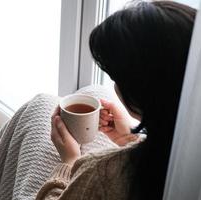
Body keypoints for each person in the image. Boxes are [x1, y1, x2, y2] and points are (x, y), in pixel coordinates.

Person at [36, 1, 196, 200]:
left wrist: (69, 162)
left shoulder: (100, 173)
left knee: (39, 105)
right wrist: (129, 138)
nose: (114, 86)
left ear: (143, 92)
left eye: (116, 78)